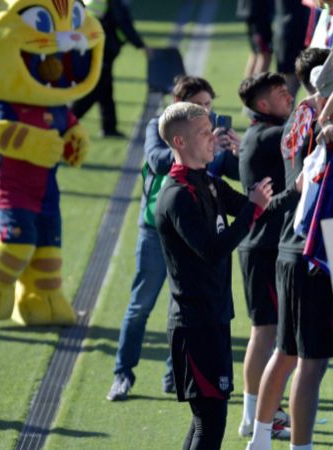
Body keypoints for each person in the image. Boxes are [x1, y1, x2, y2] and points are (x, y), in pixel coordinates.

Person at [106, 76, 241, 402]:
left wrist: (234, 151)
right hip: (155, 229)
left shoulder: (209, 131)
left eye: (209, 105)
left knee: (181, 305)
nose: (207, 112)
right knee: (141, 304)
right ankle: (122, 374)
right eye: (199, 106)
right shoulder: (161, 127)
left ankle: (175, 374)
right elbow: (157, 159)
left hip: (196, 229)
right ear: (179, 105)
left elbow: (232, 174)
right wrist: (193, 143)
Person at [154, 102, 274, 450]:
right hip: (195, 325)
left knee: (205, 421)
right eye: (204, 133)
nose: (213, 139)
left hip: (215, 316)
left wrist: (297, 187)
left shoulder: (207, 181)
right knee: (210, 422)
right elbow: (213, 249)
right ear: (179, 141)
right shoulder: (176, 196)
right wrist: (253, 209)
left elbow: (256, 210)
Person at [246, 61, 333, 450]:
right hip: (309, 252)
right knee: (311, 361)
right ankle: (298, 447)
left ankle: (258, 439)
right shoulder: (325, 131)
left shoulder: (299, 121)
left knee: (286, 352)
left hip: (291, 248)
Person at [235, 72, 295, 438]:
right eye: (279, 93)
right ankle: (254, 416)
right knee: (265, 334)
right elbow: (306, 132)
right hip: (263, 249)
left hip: (264, 247)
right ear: (262, 105)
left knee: (267, 333)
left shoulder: (262, 134)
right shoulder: (269, 136)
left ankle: (254, 414)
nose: (287, 96)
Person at [73, 0, 150, 138]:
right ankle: (68, 122)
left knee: (106, 91)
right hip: (101, 50)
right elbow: (123, 23)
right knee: (94, 91)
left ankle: (109, 128)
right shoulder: (115, 3)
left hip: (94, 47)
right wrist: (140, 45)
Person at [237, 0, 274, 78]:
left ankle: (248, 88)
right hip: (258, 12)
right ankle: (257, 88)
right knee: (264, 54)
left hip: (253, 11)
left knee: (256, 53)